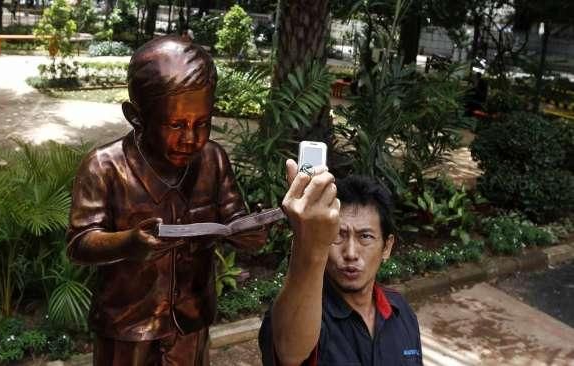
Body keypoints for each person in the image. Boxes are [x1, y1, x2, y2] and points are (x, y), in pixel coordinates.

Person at [67, 35, 267, 366]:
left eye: (202, 123)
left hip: (190, 323)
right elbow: (79, 243)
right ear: (136, 117)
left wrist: (249, 233)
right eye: (176, 124)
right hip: (126, 328)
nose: (191, 138)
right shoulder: (104, 167)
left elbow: (234, 218)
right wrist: (128, 242)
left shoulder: (213, 160)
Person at [259, 161, 422, 366]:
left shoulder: (401, 312)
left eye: (365, 236)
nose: (351, 253)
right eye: (338, 236)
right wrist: (308, 241)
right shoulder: (298, 313)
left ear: (387, 247)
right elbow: (289, 352)